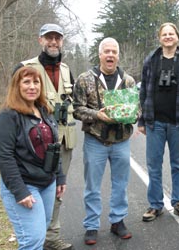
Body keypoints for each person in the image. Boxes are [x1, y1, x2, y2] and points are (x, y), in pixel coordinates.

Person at [14, 23, 76, 250]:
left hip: (64, 141)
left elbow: (75, 106)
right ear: (40, 40)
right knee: (35, 189)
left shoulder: (67, 70)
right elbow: (14, 106)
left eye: (57, 38)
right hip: (35, 141)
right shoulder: (25, 68)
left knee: (58, 189)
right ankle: (34, 237)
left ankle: (51, 236)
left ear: (62, 41)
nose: (53, 42)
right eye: (48, 38)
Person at [0, 66, 66, 250]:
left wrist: (60, 177)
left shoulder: (44, 110)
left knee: (40, 234)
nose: (32, 86)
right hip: (25, 185)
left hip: (47, 183)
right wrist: (20, 191)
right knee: (31, 241)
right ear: (17, 86)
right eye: (26, 82)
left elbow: (54, 146)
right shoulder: (8, 116)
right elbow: (4, 157)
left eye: (36, 82)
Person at [73, 37, 136, 246]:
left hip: (121, 141)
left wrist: (130, 115)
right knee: (93, 186)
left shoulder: (128, 81)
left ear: (118, 56)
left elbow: (137, 110)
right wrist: (97, 115)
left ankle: (117, 221)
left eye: (114, 52)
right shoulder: (84, 79)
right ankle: (91, 225)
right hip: (95, 141)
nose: (110, 55)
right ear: (100, 54)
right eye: (106, 51)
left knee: (120, 184)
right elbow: (77, 109)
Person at [138, 22, 179, 222]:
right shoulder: (151, 60)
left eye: (171, 33)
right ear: (159, 38)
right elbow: (144, 90)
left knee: (178, 165)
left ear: (177, 37)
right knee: (154, 165)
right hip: (155, 122)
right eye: (164, 34)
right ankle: (155, 205)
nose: (168, 36)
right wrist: (141, 120)